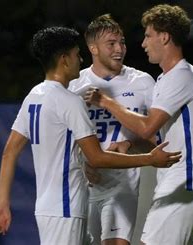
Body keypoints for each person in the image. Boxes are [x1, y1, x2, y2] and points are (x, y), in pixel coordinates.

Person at [0, 26, 181, 245]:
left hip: (49, 206)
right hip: (66, 205)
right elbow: (97, 157)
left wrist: (3, 202)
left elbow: (9, 152)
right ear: (64, 59)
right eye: (76, 54)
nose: (80, 59)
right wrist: (149, 159)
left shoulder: (34, 96)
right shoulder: (70, 101)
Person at [85, 5, 193, 244]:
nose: (143, 43)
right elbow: (167, 138)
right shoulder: (167, 79)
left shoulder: (182, 75)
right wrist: (128, 146)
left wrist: (106, 101)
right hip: (187, 187)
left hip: (183, 187)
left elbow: (147, 127)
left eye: (148, 35)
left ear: (164, 37)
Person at [68, 14, 157, 245]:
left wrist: (130, 143)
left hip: (122, 186)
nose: (120, 49)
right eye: (111, 44)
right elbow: (62, 138)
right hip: (82, 185)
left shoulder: (143, 82)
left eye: (122, 42)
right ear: (93, 48)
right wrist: (83, 161)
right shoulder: (74, 85)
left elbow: (158, 138)